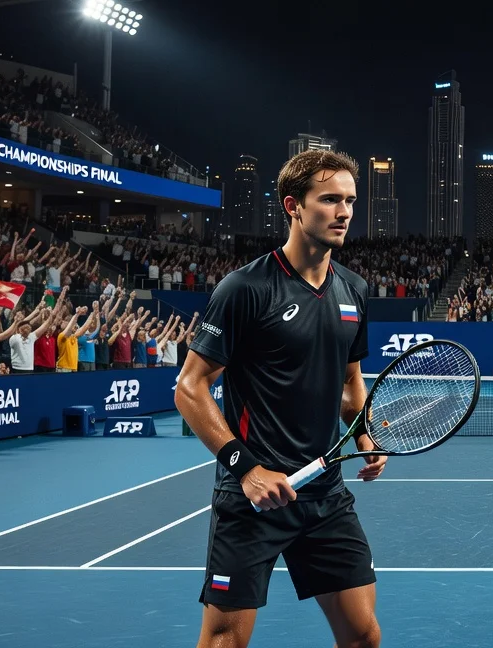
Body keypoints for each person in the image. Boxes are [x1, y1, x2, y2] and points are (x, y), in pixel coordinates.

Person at [176, 149, 382, 648]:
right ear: (293, 205)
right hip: (253, 500)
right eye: (330, 199)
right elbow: (190, 387)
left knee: (362, 636)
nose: (344, 212)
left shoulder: (353, 290)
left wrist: (364, 432)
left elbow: (351, 384)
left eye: (350, 200)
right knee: (224, 641)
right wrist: (246, 469)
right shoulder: (245, 288)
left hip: (326, 496)